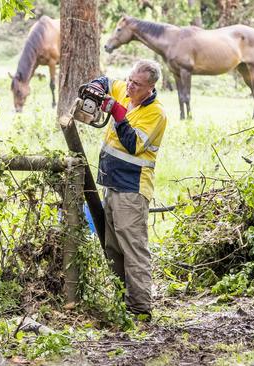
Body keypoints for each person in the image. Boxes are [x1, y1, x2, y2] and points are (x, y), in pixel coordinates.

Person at [89, 59, 168, 317]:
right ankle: (122, 303)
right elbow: (107, 81)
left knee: (133, 249)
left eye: (137, 84)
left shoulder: (156, 113)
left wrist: (117, 112)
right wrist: (96, 87)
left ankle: (140, 308)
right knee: (112, 247)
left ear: (151, 87)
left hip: (132, 187)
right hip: (112, 183)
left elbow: (133, 144)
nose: (130, 87)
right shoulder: (125, 88)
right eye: (130, 80)